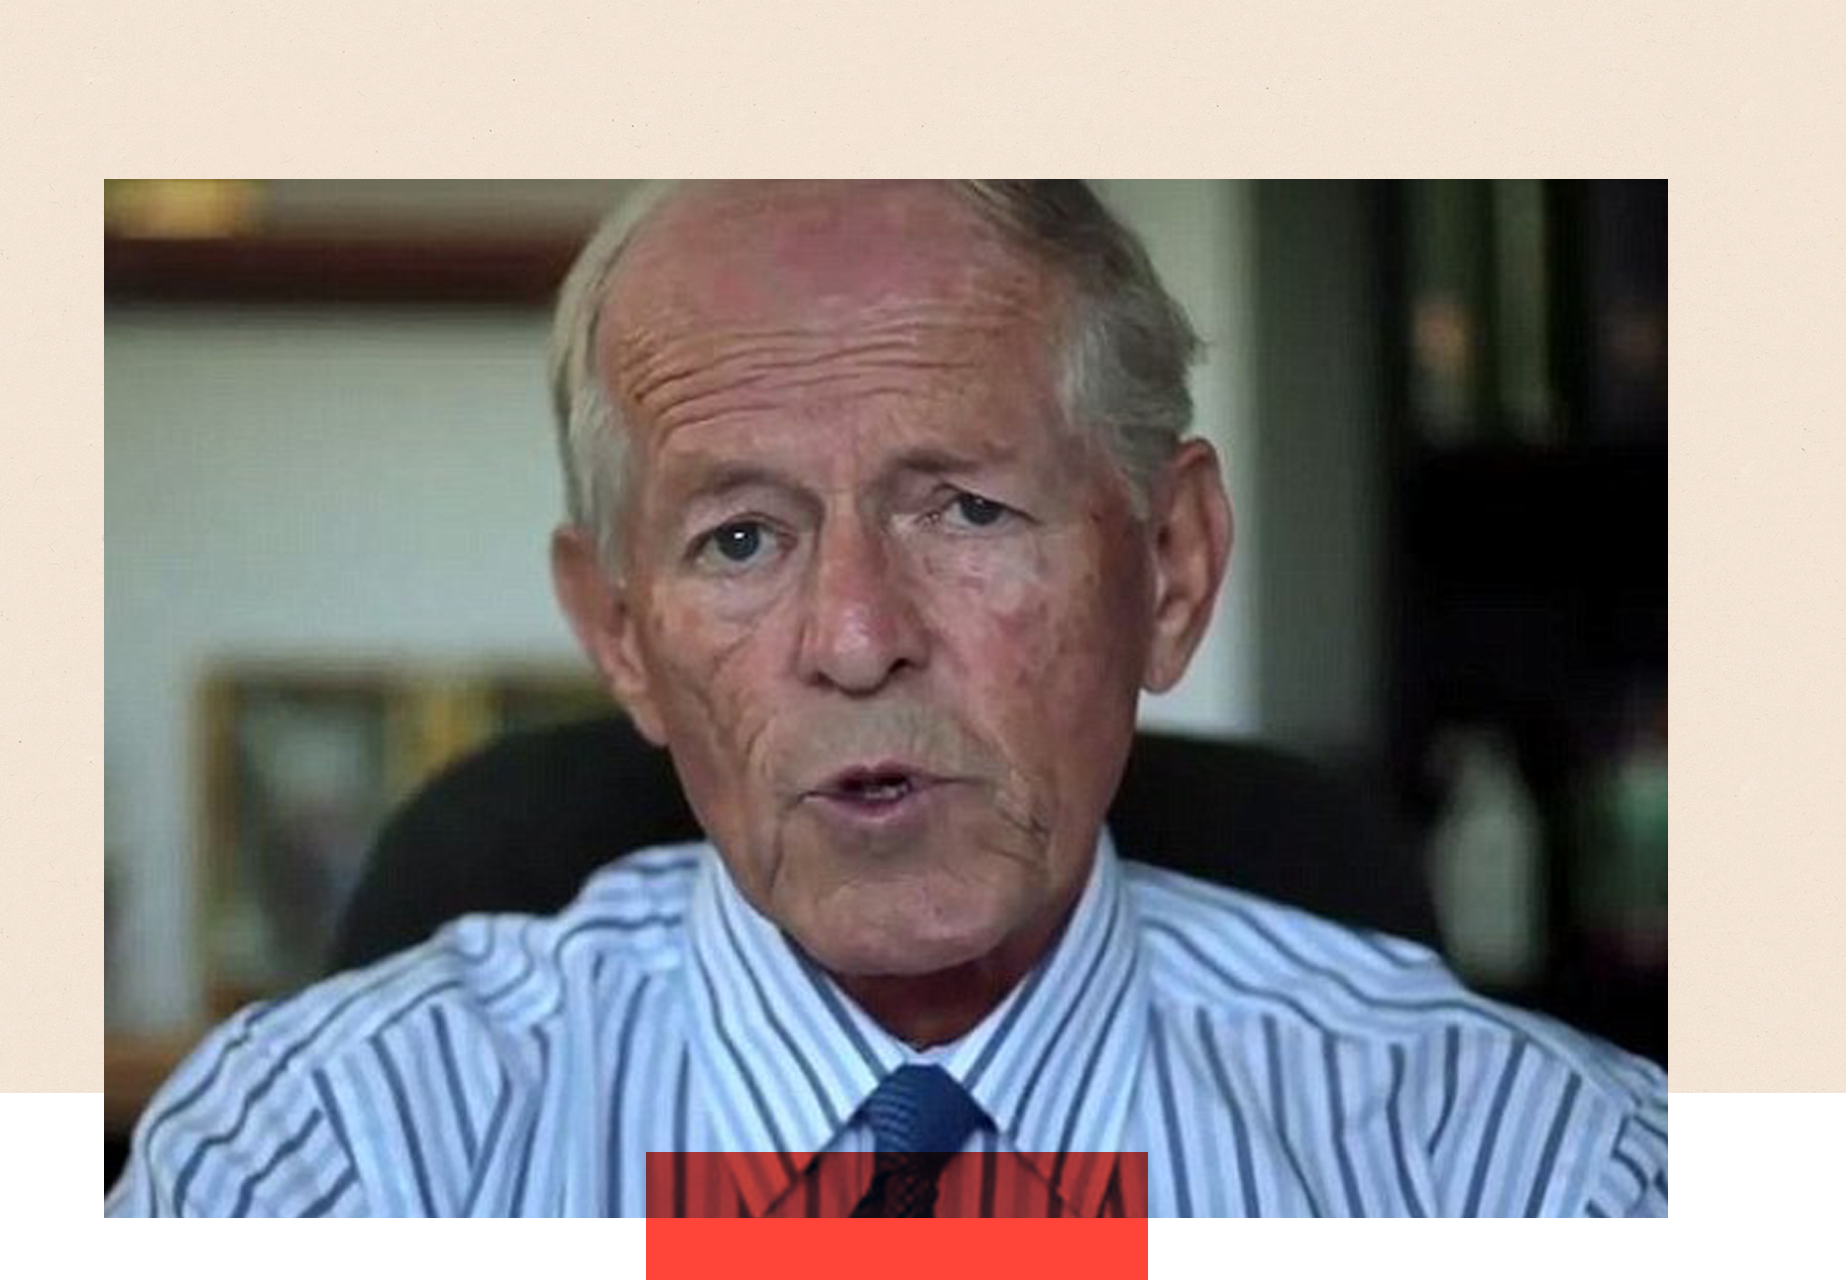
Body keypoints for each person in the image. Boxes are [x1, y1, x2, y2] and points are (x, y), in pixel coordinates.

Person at [106, 181, 1667, 1217]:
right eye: (740, 538)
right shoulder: (322, 1156)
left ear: (1175, 569)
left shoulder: (1527, 1165)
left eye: (966, 512)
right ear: (624, 638)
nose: (856, 638)